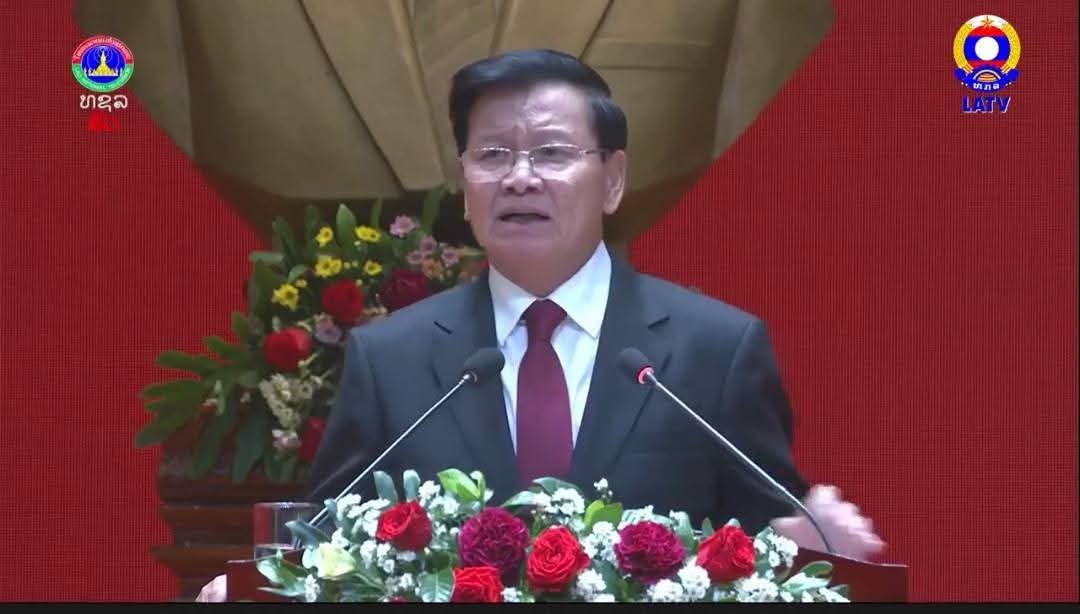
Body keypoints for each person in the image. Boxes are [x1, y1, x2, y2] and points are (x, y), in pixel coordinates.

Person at [196, 48, 883, 602]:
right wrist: (259, 587)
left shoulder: (715, 351)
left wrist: (810, 544)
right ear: (465, 187)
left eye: (552, 153)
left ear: (612, 180)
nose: (520, 178)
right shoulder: (391, 359)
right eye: (493, 155)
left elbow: (769, 548)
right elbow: (324, 546)